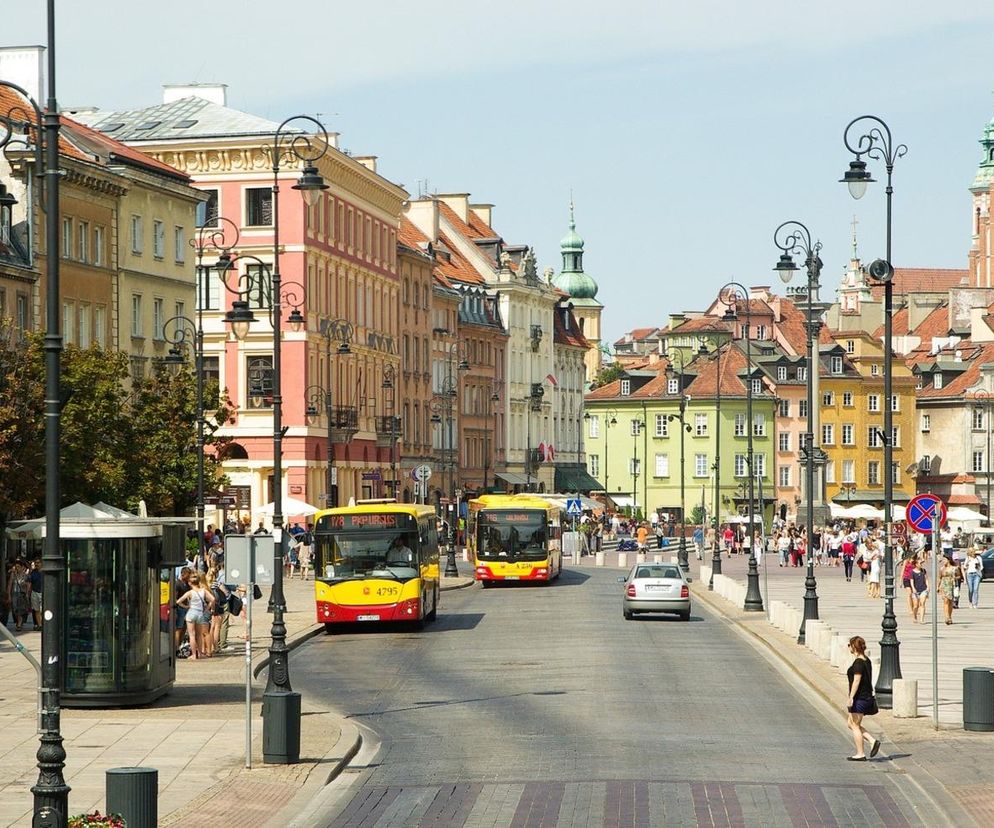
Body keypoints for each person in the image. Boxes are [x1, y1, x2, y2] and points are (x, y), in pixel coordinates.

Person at [844, 636, 881, 761]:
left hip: (860, 698)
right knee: (851, 723)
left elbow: (857, 680)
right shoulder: (867, 660)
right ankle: (872, 740)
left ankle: (860, 753)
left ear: (854, 647)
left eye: (849, 645)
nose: (848, 647)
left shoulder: (858, 662)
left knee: (855, 725)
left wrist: (851, 697)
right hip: (866, 697)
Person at [175, 572, 215, 659]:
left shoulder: (190, 592)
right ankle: (200, 653)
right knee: (199, 635)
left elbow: (178, 601)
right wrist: (206, 608)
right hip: (200, 614)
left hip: (191, 613)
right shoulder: (203, 591)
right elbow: (213, 599)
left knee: (191, 635)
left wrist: (186, 606)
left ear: (190, 583)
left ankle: (193, 655)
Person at [6, 561, 31, 631]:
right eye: (16, 567)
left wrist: (27, 593)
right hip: (14, 593)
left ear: (22, 567)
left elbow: (29, 585)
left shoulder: (26, 575)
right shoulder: (13, 575)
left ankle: (19, 623)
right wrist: (9, 595)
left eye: (18, 567)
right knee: (15, 609)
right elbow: (9, 585)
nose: (17, 568)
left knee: (20, 609)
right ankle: (19, 622)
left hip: (22, 594)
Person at [939, 555, 957, 625]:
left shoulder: (954, 568)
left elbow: (959, 576)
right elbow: (940, 577)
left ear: (948, 560)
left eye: (945, 560)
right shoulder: (942, 569)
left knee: (950, 602)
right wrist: (938, 586)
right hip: (944, 585)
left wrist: (954, 578)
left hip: (951, 585)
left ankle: (950, 616)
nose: (943, 561)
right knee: (945, 601)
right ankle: (946, 617)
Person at [910, 558, 928, 623]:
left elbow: (926, 579)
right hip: (915, 590)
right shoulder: (912, 572)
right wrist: (913, 588)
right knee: (915, 606)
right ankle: (915, 616)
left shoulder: (923, 571)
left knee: (922, 604)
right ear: (916, 564)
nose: (921, 565)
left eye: (921, 563)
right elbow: (911, 581)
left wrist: (928, 587)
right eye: (920, 563)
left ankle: (921, 619)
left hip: (923, 589)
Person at [28, 559, 43, 630]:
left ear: (41, 563)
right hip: (34, 592)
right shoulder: (32, 572)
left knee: (42, 610)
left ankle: (43, 624)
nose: (37, 564)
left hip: (43, 592)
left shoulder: (44, 572)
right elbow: (30, 583)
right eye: (35, 563)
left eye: (38, 563)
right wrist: (28, 592)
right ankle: (40, 625)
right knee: (36, 610)